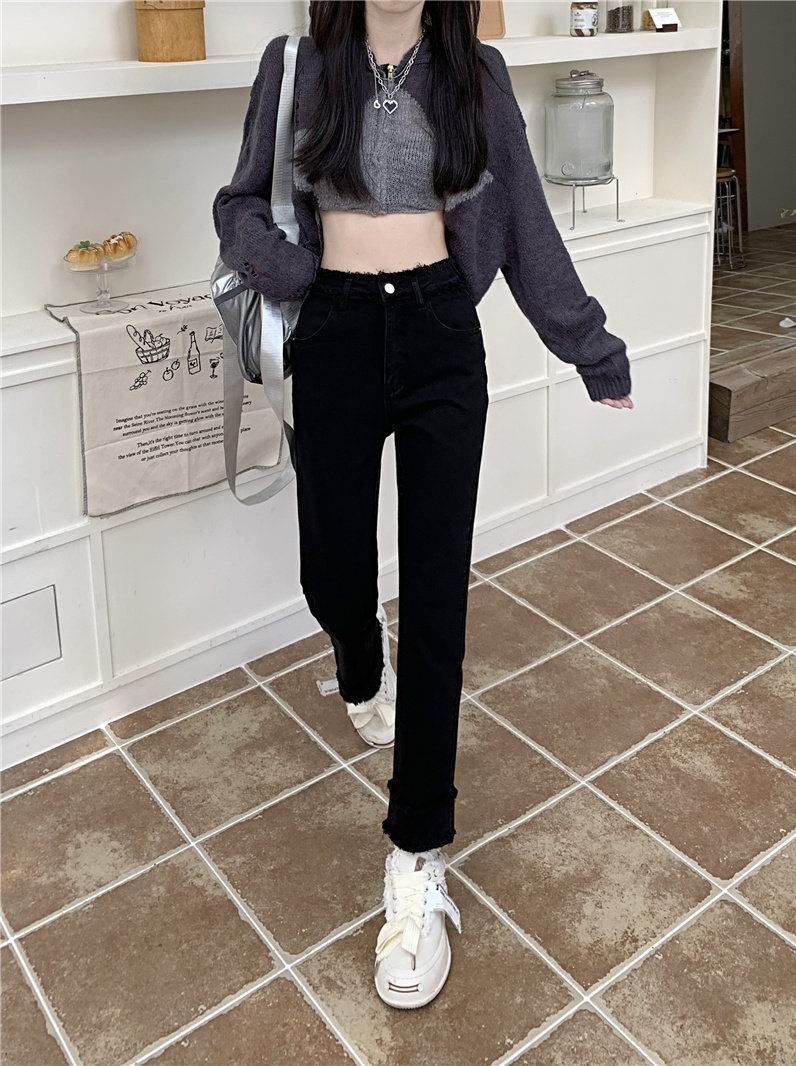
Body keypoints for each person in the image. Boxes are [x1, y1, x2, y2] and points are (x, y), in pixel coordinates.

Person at [213, 0, 634, 1010]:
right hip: (334, 332)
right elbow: (237, 205)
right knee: (331, 573)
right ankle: (361, 667)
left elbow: (523, 221)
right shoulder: (298, 63)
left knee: (438, 601)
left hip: (442, 331)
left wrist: (589, 346)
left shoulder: (474, 72)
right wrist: (293, 268)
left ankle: (416, 857)